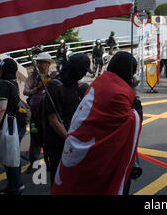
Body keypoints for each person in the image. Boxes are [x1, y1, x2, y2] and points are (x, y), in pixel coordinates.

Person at [51, 52, 142, 195]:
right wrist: (134, 94)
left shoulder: (100, 82)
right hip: (86, 152)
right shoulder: (117, 92)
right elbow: (134, 118)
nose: (82, 74)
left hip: (75, 142)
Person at [41, 54, 91, 185]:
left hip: (71, 139)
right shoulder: (55, 87)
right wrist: (69, 140)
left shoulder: (73, 85)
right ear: (75, 70)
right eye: (83, 71)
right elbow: (53, 120)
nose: (84, 74)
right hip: (59, 141)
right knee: (59, 177)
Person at [0, 58, 26, 195]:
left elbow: (1, 109)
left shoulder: (3, 85)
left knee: (10, 156)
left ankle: (15, 187)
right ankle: (15, 184)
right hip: (13, 123)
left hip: (7, 125)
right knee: (12, 155)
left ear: (4, 70)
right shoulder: (13, 83)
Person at [23, 52, 58, 173]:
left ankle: (49, 162)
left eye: (42, 62)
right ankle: (33, 163)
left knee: (49, 138)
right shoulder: (33, 77)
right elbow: (25, 91)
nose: (39, 65)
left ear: (48, 63)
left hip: (49, 114)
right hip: (35, 113)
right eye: (38, 62)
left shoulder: (54, 75)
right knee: (35, 138)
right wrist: (36, 89)